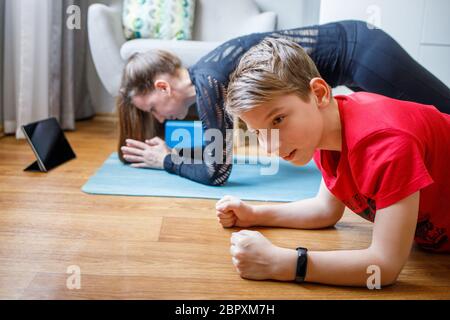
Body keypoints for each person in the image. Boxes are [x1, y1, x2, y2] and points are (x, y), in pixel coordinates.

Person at [217, 37, 450, 287]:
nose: (271, 146)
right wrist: (254, 214)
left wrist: (282, 263)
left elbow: (384, 267)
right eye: (259, 133)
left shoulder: (387, 143)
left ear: (318, 94)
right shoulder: (322, 133)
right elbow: (324, 210)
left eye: (278, 120)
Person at [117, 20, 450, 186]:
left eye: (150, 108)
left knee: (444, 114)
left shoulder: (208, 82)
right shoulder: (209, 75)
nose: (157, 117)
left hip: (365, 51)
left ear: (162, 87)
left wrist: (166, 161)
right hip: (356, 56)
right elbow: (219, 147)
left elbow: (216, 170)